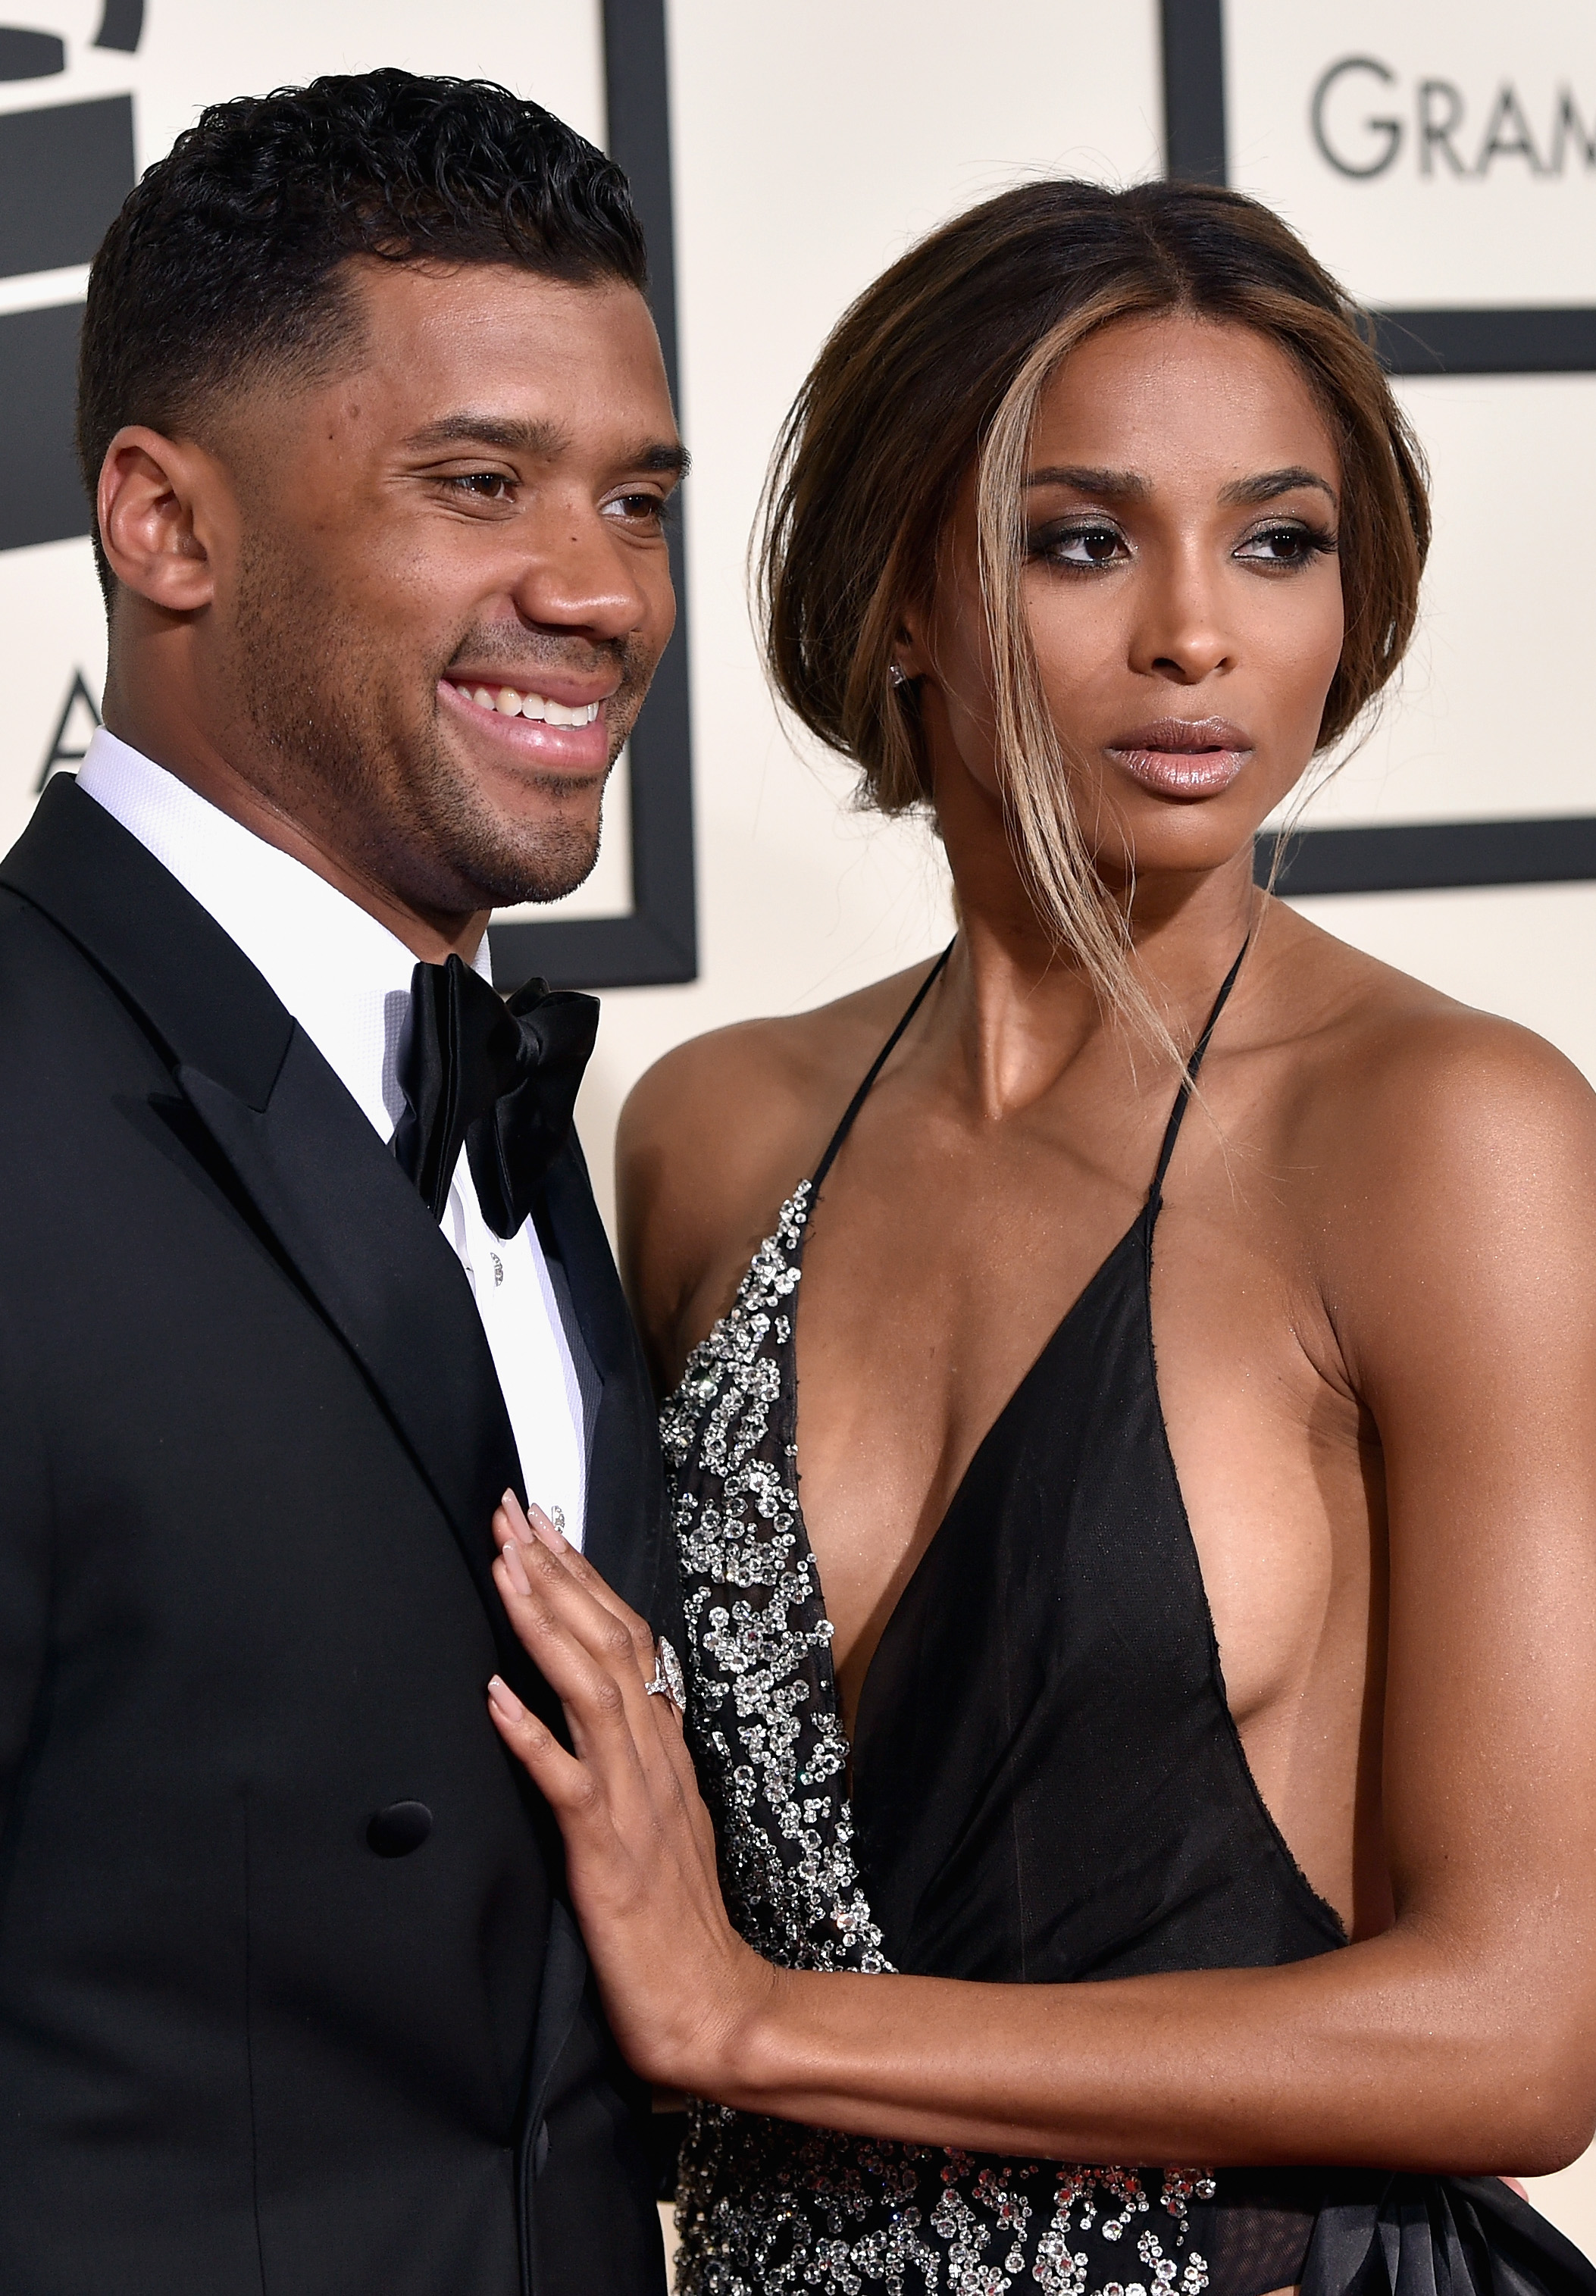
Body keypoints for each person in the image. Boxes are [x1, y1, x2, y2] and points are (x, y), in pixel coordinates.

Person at [480, 180, 1596, 2296]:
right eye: (1079, 541)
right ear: (899, 587)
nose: (1197, 631)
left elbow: (1519, 2032)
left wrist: (755, 2026)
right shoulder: (714, 1134)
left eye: (1279, 541)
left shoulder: (1446, 1135)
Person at [0, 69, 684, 2295]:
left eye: (637, 498)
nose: (593, 591)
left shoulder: (504, 1089)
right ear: (165, 525)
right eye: (475, 482)